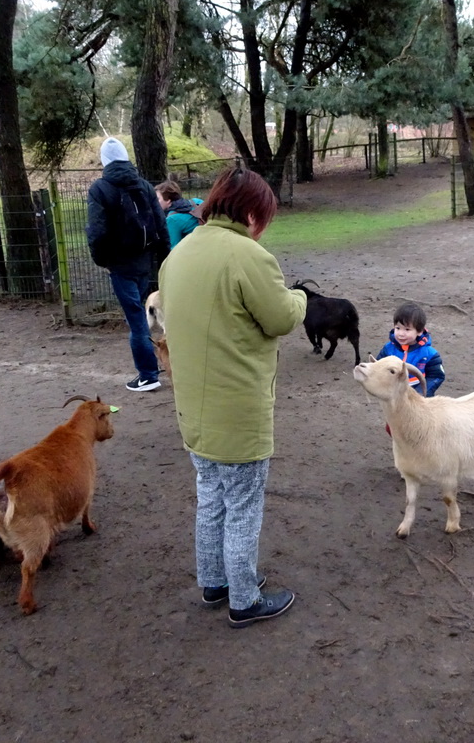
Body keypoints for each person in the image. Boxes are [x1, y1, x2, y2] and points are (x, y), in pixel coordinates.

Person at [158, 166, 307, 629]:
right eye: (263, 218)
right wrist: (300, 297)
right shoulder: (248, 256)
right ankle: (243, 599)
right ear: (249, 213)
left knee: (211, 496)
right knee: (243, 504)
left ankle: (215, 580)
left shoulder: (178, 256)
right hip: (237, 411)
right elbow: (281, 317)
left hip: (194, 412)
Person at [86, 137, 168, 392]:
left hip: (120, 265)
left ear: (105, 161)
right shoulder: (143, 186)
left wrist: (103, 260)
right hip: (145, 261)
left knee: (137, 320)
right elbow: (159, 223)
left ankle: (147, 374)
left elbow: (97, 231)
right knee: (144, 313)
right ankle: (162, 365)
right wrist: (164, 258)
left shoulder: (100, 189)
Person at [376, 302, 445, 397]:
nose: (401, 333)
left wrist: (420, 393)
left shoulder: (430, 355)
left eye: (407, 329)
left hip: (417, 400)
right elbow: (378, 368)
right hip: (393, 396)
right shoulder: (388, 349)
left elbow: (436, 376)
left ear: (419, 331)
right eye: (398, 328)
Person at [155, 179, 205, 249]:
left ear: (168, 201)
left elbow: (173, 249)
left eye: (157, 199)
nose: (155, 202)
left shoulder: (172, 219)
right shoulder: (196, 202)